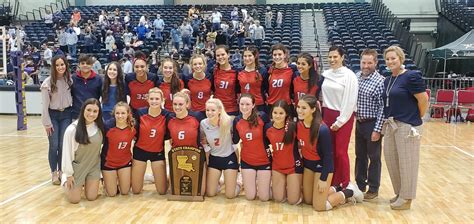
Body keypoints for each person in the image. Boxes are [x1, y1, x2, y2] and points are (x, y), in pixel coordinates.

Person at [382, 45, 429, 210]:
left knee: (407, 162)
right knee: (392, 160)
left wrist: (416, 119)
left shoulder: (411, 76)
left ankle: (407, 198)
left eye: (393, 58)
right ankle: (400, 193)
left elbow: (423, 100)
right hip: (391, 124)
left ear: (401, 58)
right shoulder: (388, 79)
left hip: (408, 125)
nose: (390, 61)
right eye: (387, 59)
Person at [296, 95, 363, 211]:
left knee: (319, 206)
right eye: (298, 107)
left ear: (313, 109)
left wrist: (323, 178)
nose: (299, 110)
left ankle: (350, 191)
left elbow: (328, 157)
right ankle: (336, 188)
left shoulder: (322, 130)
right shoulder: (299, 125)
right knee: (307, 201)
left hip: (322, 168)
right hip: (308, 166)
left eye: (303, 108)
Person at [320, 46, 358, 188]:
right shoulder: (326, 74)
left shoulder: (350, 76)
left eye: (335, 57)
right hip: (327, 114)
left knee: (340, 151)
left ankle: (344, 182)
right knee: (328, 151)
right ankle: (332, 181)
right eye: (330, 57)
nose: (332, 60)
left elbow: (350, 101)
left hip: (343, 115)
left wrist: (341, 120)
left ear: (342, 57)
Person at [354, 49, 385, 200]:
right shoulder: (356, 76)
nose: (366, 65)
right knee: (360, 156)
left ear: (375, 63)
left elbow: (382, 108)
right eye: (363, 62)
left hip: (372, 123)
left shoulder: (380, 81)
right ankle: (360, 186)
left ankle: (373, 189)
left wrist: (377, 129)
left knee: (374, 157)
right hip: (359, 123)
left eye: (369, 63)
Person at [62, 98, 105, 204]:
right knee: (74, 200)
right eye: (89, 110)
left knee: (91, 197)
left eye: (95, 111)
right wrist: (68, 175)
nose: (91, 114)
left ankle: (86, 183)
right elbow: (66, 154)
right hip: (77, 169)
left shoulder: (99, 127)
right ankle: (64, 183)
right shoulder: (72, 130)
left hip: (93, 167)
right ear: (83, 110)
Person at [41, 55, 73, 185]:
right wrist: (47, 123)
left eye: (62, 64)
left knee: (62, 145)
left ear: (66, 65)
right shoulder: (47, 84)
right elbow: (44, 106)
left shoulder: (70, 81)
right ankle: (53, 172)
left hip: (66, 114)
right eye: (57, 65)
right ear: (53, 67)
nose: (60, 67)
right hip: (53, 115)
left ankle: (61, 171)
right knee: (54, 145)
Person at [233, 94, 271, 201]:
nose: (244, 107)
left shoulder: (262, 116)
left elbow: (270, 136)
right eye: (242, 104)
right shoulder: (237, 120)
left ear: (253, 105)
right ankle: (240, 183)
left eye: (248, 104)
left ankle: (270, 184)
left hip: (264, 161)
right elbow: (235, 140)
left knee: (264, 198)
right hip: (247, 161)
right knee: (250, 197)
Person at [132, 88, 170, 194]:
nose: (154, 101)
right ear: (147, 99)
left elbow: (169, 133)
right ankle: (149, 178)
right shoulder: (140, 112)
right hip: (140, 151)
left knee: (162, 191)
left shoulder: (167, 115)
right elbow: (134, 131)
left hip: (157, 153)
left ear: (162, 100)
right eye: (151, 98)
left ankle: (162, 177)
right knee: (136, 190)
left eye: (157, 99)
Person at [167, 91, 206, 196]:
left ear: (187, 104)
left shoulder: (197, 116)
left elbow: (205, 136)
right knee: (174, 191)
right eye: (175, 104)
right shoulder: (170, 119)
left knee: (200, 193)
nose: (177, 107)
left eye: (180, 104)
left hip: (196, 157)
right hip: (178, 158)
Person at [201, 98, 240, 198]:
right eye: (207, 110)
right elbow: (204, 143)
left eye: (213, 110)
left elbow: (235, 144)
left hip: (229, 158)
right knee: (210, 193)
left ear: (219, 110)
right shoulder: (203, 124)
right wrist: (207, 160)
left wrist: (238, 161)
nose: (209, 113)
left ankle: (239, 183)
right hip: (214, 159)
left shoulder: (229, 122)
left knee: (230, 195)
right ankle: (221, 182)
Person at [265, 100, 302, 204]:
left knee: (293, 201)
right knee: (278, 199)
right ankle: (285, 186)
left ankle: (298, 187)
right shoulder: (268, 128)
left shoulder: (293, 127)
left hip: (293, 167)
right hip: (277, 167)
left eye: (281, 113)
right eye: (275, 113)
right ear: (271, 113)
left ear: (286, 114)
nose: (277, 116)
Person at [101, 102, 135, 196]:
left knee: (125, 192)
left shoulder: (133, 127)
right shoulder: (107, 126)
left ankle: (120, 179)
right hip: (108, 163)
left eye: (123, 113)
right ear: (114, 114)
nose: (120, 116)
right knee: (112, 194)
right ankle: (106, 181)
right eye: (117, 113)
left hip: (125, 162)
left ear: (128, 113)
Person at [124, 51, 158, 116]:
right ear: (133, 67)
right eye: (136, 67)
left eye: (142, 66)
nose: (139, 69)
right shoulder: (128, 78)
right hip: (133, 112)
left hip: (149, 112)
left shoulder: (153, 78)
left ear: (146, 66)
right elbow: (126, 96)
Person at [267, 44, 297, 113]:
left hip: (287, 105)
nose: (277, 57)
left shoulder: (292, 69)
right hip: (272, 105)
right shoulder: (269, 70)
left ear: (284, 55)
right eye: (275, 55)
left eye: (280, 54)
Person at [71, 54, 103, 119]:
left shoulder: (98, 79)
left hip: (93, 115)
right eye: (83, 63)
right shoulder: (73, 78)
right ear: (79, 65)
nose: (85, 65)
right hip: (76, 114)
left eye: (88, 63)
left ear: (91, 65)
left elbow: (103, 96)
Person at [238, 46, 268, 112]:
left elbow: (266, 88)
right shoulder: (239, 71)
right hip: (244, 105)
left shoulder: (262, 71)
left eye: (249, 56)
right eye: (245, 56)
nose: (247, 58)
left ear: (255, 56)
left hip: (259, 105)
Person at [212, 45, 240, 115]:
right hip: (217, 108)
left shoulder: (236, 72)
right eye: (218, 55)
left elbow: (239, 91)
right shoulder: (213, 71)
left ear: (228, 55)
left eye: (223, 54)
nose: (220, 57)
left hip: (231, 109)